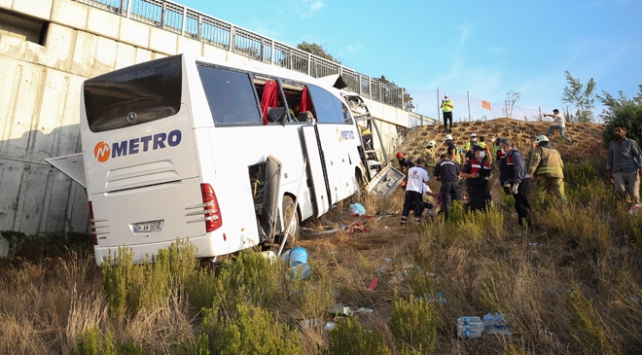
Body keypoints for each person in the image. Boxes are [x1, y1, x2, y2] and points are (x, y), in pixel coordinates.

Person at [500, 139, 533, 230]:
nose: (500, 150)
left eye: (501, 147)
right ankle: (522, 226)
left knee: (523, 205)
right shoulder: (508, 157)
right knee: (519, 205)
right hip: (518, 182)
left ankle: (528, 228)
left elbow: (519, 170)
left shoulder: (515, 155)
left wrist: (517, 183)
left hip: (523, 182)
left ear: (505, 147)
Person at [606, 124, 642, 204]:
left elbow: (639, 156)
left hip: (632, 171)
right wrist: (609, 174)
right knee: (620, 189)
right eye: (615, 131)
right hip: (618, 171)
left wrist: (640, 169)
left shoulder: (631, 143)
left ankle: (636, 210)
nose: (617, 132)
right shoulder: (612, 144)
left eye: (619, 131)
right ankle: (628, 206)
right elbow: (610, 159)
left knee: (634, 192)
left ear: (624, 132)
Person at [528, 135, 566, 203]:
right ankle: (565, 209)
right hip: (558, 175)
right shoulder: (556, 152)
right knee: (560, 194)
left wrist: (531, 172)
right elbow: (561, 164)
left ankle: (539, 208)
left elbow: (535, 160)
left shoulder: (539, 149)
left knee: (540, 193)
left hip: (544, 175)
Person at [461, 145, 492, 212]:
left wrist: (490, 191)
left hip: (484, 188)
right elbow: (461, 174)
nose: (482, 152)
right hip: (474, 188)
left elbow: (488, 178)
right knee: (475, 206)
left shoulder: (486, 164)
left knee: (486, 205)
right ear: (476, 153)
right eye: (480, 151)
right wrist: (471, 176)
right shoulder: (470, 162)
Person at [401, 159, 430, 226]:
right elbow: (427, 183)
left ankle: (403, 223)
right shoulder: (424, 171)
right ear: (422, 163)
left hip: (409, 189)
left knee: (406, 206)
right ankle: (417, 224)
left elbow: (409, 178)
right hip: (417, 191)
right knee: (418, 207)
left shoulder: (410, 169)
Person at [433, 154, 463, 221]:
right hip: (455, 183)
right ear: (447, 158)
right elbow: (459, 176)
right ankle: (460, 218)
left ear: (441, 158)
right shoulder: (454, 163)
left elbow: (435, 177)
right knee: (459, 201)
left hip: (446, 184)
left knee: (447, 203)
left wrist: (442, 178)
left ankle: (448, 220)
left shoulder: (439, 164)